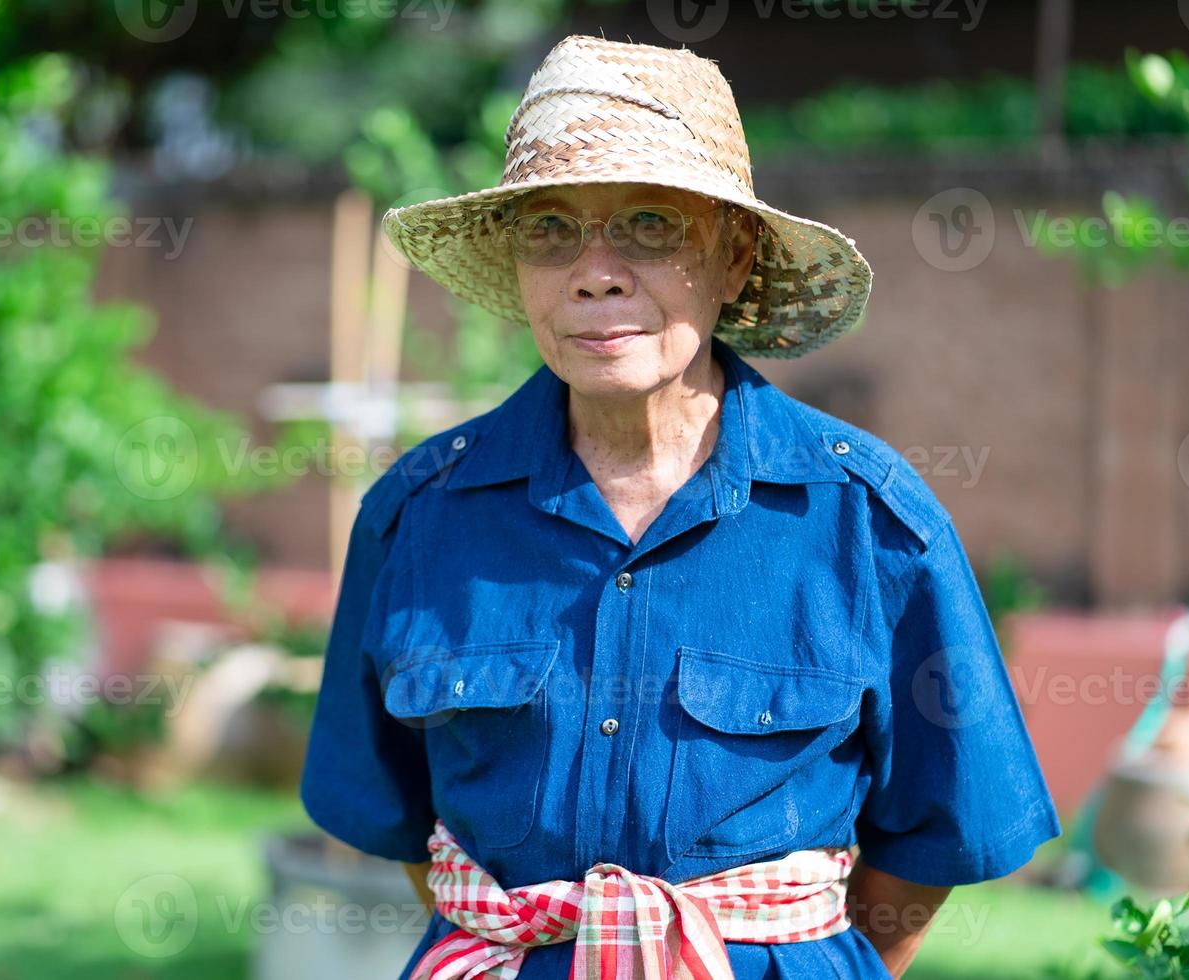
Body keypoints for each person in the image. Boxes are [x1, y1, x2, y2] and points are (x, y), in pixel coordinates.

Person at [300, 33, 1061, 979]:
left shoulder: (868, 523)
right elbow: (401, 822)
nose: (596, 271)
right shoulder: (417, 516)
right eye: (549, 229)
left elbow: (936, 836)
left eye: (651, 225)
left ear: (736, 257)